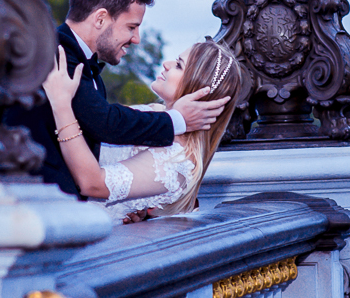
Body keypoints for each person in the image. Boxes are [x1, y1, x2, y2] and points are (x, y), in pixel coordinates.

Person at [6, 0, 230, 198]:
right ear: (101, 19)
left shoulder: (83, 65)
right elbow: (105, 123)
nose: (136, 39)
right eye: (131, 27)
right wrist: (177, 120)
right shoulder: (56, 54)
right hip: (31, 200)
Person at [42, 38, 242, 218]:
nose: (166, 64)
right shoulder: (152, 113)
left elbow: (92, 184)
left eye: (178, 65)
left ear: (197, 89)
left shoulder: (176, 161)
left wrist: (61, 104)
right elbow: (103, 123)